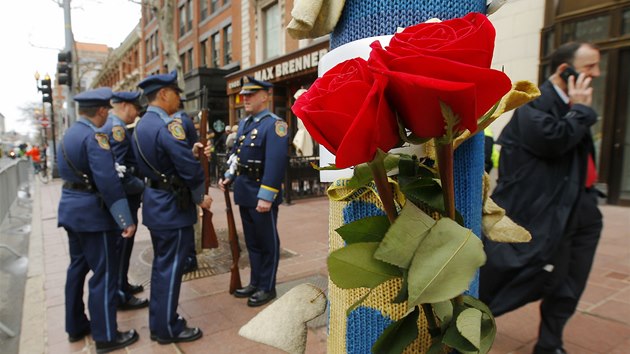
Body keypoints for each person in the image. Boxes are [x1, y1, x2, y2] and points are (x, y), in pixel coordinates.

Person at [479, 42, 603, 354]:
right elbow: (553, 141)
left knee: (570, 282)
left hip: (582, 208)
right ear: (565, 69)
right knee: (526, 275)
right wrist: (581, 111)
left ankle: (550, 344)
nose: (597, 73)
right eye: (590, 67)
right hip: (544, 211)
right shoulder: (535, 104)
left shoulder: (573, 106)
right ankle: (467, 326)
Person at [56, 87, 139, 353]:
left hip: (71, 210)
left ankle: (75, 325)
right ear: (102, 111)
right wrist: (125, 219)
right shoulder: (96, 138)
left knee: (77, 269)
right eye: (107, 111)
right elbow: (108, 182)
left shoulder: (69, 134)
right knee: (104, 274)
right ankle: (106, 335)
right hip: (93, 216)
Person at [133, 70, 212, 344]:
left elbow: (160, 160)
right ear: (164, 94)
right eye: (176, 93)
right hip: (172, 207)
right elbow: (188, 167)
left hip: (156, 202)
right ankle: (167, 327)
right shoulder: (169, 125)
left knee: (162, 267)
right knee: (171, 269)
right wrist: (200, 195)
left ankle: (159, 323)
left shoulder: (142, 125)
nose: (178, 99)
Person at [219, 76, 289, 307]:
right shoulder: (246, 124)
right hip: (244, 190)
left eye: (250, 94)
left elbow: (275, 163)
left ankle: (267, 287)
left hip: (261, 193)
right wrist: (229, 176)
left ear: (265, 96)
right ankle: (255, 282)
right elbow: (238, 156)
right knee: (253, 243)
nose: (244, 98)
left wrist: (267, 196)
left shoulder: (274, 124)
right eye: (244, 95)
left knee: (267, 242)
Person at [101, 90, 149, 311]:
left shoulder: (114, 126)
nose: (137, 112)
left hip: (124, 199)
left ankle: (123, 284)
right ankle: (121, 294)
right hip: (124, 200)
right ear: (124, 105)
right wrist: (143, 187)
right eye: (135, 108)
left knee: (124, 247)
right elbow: (120, 172)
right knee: (122, 246)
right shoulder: (117, 129)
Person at [173, 106, 200, 274]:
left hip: (183, 179)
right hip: (183, 178)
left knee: (187, 220)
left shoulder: (179, 121)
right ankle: (189, 256)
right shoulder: (183, 120)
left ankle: (190, 257)